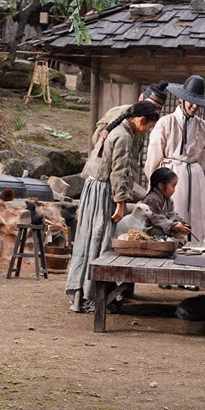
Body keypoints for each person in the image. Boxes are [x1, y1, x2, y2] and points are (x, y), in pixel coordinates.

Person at [66, 101, 160, 313]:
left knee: (91, 240)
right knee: (99, 242)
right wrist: (120, 204)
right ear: (140, 120)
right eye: (149, 127)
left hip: (96, 188)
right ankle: (90, 297)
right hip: (103, 192)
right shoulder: (124, 136)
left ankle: (86, 294)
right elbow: (119, 173)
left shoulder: (118, 130)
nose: (147, 131)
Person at [144, 75, 205, 247]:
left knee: (197, 217)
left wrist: (193, 172)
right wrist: (155, 186)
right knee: (173, 213)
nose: (194, 106)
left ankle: (196, 249)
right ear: (180, 99)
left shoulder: (204, 126)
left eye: (197, 102)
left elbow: (202, 158)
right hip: (171, 175)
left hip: (194, 177)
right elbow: (153, 158)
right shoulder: (165, 122)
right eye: (190, 101)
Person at [88, 82, 168, 199]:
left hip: (123, 179)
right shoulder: (122, 113)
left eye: (157, 108)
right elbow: (97, 140)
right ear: (141, 97)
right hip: (104, 178)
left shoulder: (145, 121)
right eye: (151, 104)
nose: (153, 110)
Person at [141, 167, 192, 241]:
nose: (174, 190)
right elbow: (157, 219)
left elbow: (172, 214)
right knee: (172, 232)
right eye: (173, 186)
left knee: (179, 232)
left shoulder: (168, 200)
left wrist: (182, 222)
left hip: (162, 225)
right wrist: (173, 226)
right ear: (161, 185)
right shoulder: (152, 199)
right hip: (149, 228)